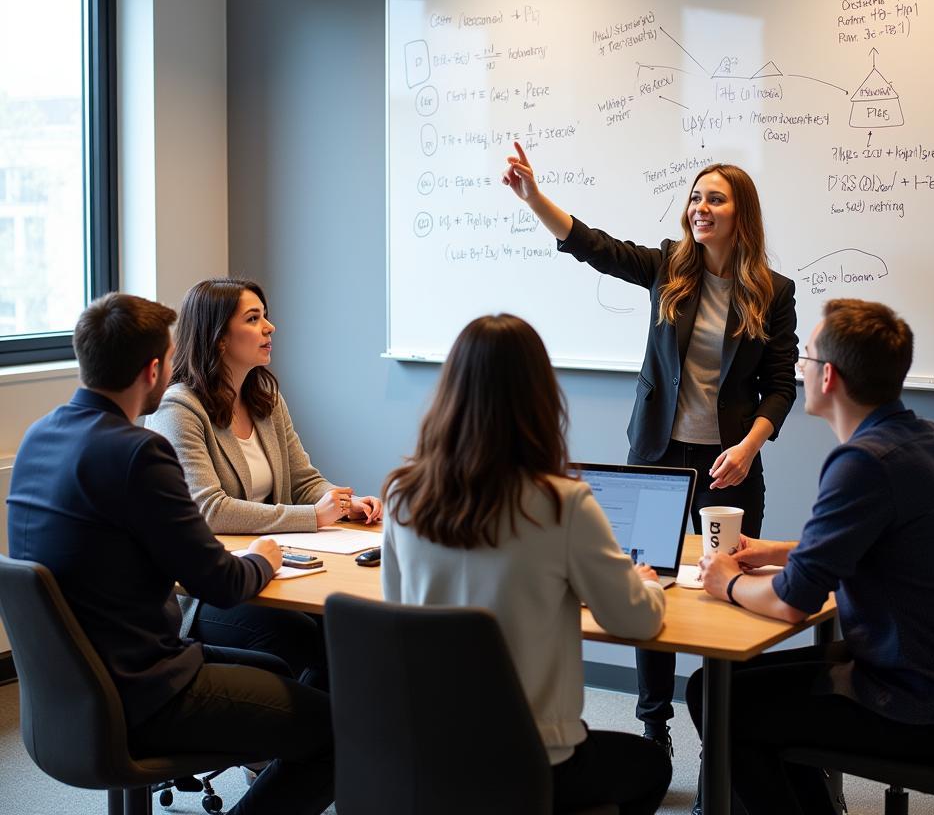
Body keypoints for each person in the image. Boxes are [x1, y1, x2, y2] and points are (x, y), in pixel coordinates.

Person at [503, 142, 798, 755]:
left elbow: (779, 384)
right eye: (695, 197)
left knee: (734, 588)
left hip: (730, 463)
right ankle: (654, 725)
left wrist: (747, 447)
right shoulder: (670, 267)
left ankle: (726, 736)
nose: (700, 207)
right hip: (659, 456)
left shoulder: (774, 291)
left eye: (715, 198)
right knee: (651, 582)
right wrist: (535, 200)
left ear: (741, 213)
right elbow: (594, 246)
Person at [7, 293, 333, 815]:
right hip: (144, 691)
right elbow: (220, 584)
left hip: (71, 690)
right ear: (154, 369)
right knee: (337, 731)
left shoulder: (40, 436)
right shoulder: (137, 452)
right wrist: (265, 558)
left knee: (278, 664)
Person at [690, 298, 934, 815]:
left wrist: (724, 581)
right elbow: (872, 544)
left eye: (805, 358)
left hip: (916, 703)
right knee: (719, 688)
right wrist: (773, 551)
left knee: (722, 704)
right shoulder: (921, 438)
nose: (797, 368)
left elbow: (793, 603)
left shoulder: (862, 462)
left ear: (828, 377)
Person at [381, 314, 673, 815]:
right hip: (536, 762)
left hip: (433, 754)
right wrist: (646, 585)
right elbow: (636, 619)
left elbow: (397, 613)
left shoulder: (404, 496)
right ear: (541, 398)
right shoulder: (562, 503)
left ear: (450, 392)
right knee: (652, 765)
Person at [147, 277, 382, 687]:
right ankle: (303, 747)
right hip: (210, 592)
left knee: (350, 631)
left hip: (277, 569)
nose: (269, 327)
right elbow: (210, 510)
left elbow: (303, 478)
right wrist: (312, 516)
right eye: (254, 319)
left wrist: (342, 501)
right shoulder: (179, 407)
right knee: (315, 643)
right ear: (219, 338)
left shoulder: (264, 398)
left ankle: (320, 745)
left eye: (265, 317)